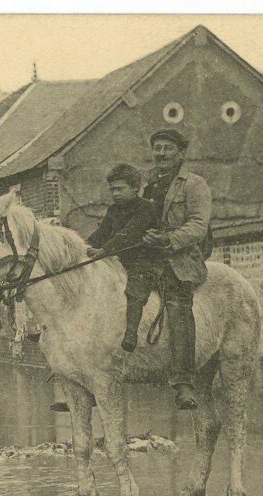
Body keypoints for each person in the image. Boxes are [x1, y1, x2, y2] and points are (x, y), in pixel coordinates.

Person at [140, 128, 213, 410]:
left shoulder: (194, 185)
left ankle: (183, 381)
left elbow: (198, 225)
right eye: (157, 148)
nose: (161, 153)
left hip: (178, 258)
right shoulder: (147, 184)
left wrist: (168, 240)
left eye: (167, 148)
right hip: (147, 255)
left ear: (181, 153)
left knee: (178, 307)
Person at [85, 163, 163, 353]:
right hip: (119, 261)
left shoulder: (145, 208)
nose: (115, 194)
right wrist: (82, 246)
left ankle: (131, 333)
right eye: (112, 190)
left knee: (136, 288)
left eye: (120, 189)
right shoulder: (113, 210)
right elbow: (101, 233)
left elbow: (129, 233)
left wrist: (104, 251)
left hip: (145, 261)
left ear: (135, 188)